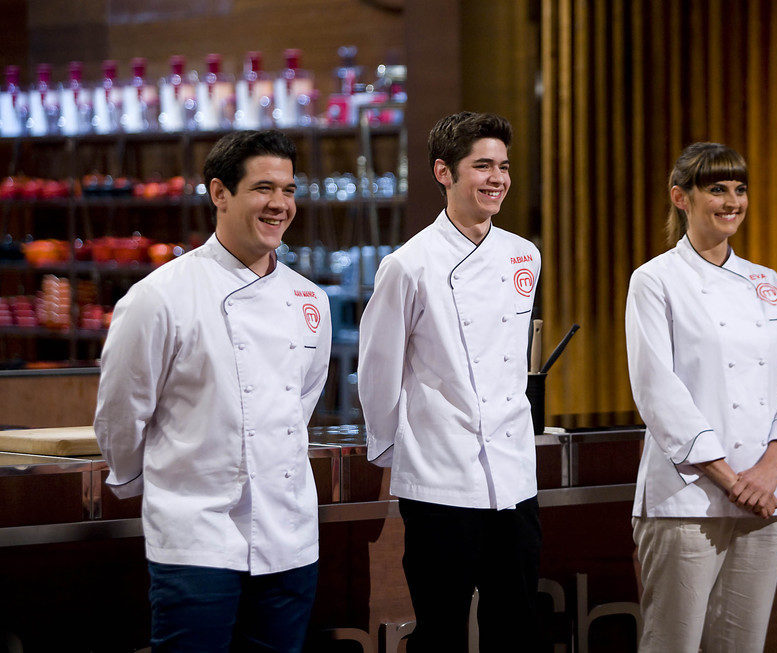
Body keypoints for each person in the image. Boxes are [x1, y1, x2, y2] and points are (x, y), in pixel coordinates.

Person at [94, 130, 331, 652]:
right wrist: (151, 486)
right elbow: (120, 413)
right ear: (219, 193)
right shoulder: (159, 297)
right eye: (263, 188)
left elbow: (302, 400)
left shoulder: (309, 299)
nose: (279, 204)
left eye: (289, 190)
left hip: (289, 538)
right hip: (195, 538)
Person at [358, 111, 542, 652]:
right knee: (441, 633)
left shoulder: (522, 254)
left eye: (503, 167)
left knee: (517, 629)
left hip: (513, 476)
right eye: (482, 166)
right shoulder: (408, 264)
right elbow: (378, 367)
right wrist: (398, 452)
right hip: (440, 478)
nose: (497, 179)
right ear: (444, 172)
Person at [625, 142, 777, 652]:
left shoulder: (764, 282)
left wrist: (769, 470)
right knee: (673, 644)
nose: (732, 201)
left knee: (742, 645)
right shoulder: (654, 280)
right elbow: (657, 391)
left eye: (739, 189)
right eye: (717, 189)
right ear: (681, 198)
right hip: (686, 500)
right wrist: (733, 480)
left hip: (765, 500)